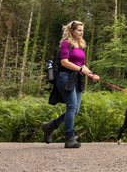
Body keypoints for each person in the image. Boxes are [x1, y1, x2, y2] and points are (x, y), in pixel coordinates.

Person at [41, 20, 100, 148]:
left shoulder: (80, 45)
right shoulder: (65, 43)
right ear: (72, 31)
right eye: (79, 30)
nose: (81, 32)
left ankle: (50, 126)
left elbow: (82, 65)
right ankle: (69, 138)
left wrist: (91, 74)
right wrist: (80, 70)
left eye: (82, 30)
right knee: (72, 107)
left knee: (75, 110)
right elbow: (64, 62)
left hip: (76, 78)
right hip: (64, 77)